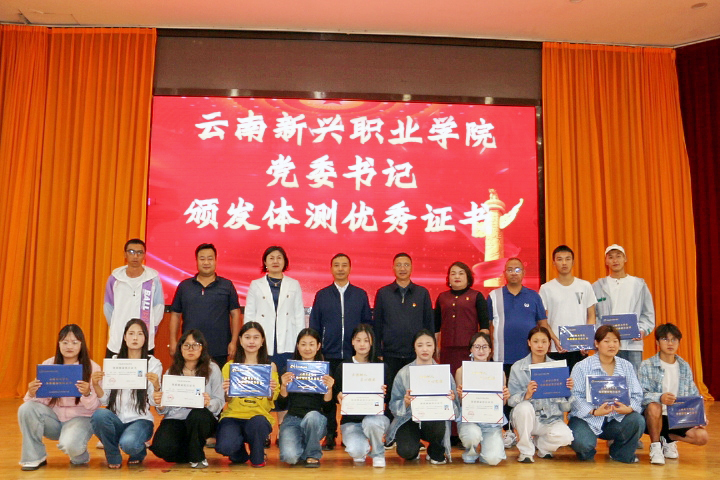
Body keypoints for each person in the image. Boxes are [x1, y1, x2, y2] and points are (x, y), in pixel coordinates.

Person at [310, 253, 372, 450]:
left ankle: (349, 432)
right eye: (336, 265)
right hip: (328, 354)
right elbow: (315, 325)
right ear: (331, 269)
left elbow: (367, 325)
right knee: (328, 395)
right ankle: (330, 433)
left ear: (350, 268)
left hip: (354, 357)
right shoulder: (322, 295)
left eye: (344, 265)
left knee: (351, 394)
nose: (340, 268)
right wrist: (317, 352)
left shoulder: (360, 294)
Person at [18, 325, 101, 471]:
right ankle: (34, 457)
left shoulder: (92, 367)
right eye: (65, 342)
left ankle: (80, 455)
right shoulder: (48, 365)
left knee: (71, 445)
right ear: (59, 344)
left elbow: (95, 407)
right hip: (54, 419)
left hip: (80, 418)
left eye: (74, 342)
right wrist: (32, 392)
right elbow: (36, 403)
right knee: (26, 409)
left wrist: (87, 393)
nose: (69, 346)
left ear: (81, 344)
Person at [91, 319, 163, 468]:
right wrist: (96, 385)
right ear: (124, 337)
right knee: (99, 415)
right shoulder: (114, 361)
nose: (135, 338)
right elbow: (105, 400)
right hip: (116, 419)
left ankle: (139, 451)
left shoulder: (153, 363)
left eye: (140, 334)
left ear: (145, 338)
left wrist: (156, 386)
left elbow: (154, 401)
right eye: (131, 333)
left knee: (129, 444)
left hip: (140, 420)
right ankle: (112, 454)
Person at [568, 325, 645, 463]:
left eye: (615, 341)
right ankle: (587, 451)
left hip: (615, 418)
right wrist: (594, 411)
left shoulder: (626, 366)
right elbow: (574, 396)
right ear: (596, 343)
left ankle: (620, 453)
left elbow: (637, 395)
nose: (612, 345)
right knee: (583, 444)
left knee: (637, 420)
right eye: (606, 341)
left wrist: (629, 408)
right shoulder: (582, 366)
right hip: (587, 419)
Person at [150, 329, 224, 468]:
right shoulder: (172, 371)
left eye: (195, 345)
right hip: (177, 418)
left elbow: (219, 401)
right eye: (186, 345)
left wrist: (208, 402)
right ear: (180, 349)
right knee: (161, 447)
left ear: (202, 348)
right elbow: (164, 410)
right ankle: (189, 451)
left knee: (197, 415)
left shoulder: (213, 369)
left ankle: (198, 457)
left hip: (202, 419)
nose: (191, 349)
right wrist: (160, 403)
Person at [374, 253, 433, 420]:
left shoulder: (422, 293)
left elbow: (429, 325)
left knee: (416, 393)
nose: (402, 268)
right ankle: (391, 429)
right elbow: (377, 325)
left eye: (406, 264)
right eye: (399, 265)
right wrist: (377, 351)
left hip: (416, 355)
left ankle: (414, 427)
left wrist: (429, 352)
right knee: (391, 394)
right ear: (393, 268)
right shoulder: (383, 293)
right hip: (390, 354)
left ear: (412, 268)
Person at [639, 323, 708, 465]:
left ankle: (668, 439)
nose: (670, 343)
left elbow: (693, 395)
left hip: (677, 417)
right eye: (665, 339)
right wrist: (660, 397)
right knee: (654, 406)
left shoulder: (684, 366)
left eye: (674, 339)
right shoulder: (647, 365)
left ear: (679, 342)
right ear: (657, 342)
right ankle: (656, 447)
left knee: (702, 437)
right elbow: (641, 394)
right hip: (653, 417)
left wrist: (700, 417)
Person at [386, 329, 457, 465]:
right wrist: (405, 403)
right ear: (414, 347)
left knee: (438, 422)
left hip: (433, 421)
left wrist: (451, 401)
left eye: (429, 345)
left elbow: (456, 410)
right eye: (420, 345)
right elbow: (393, 406)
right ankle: (415, 446)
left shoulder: (443, 373)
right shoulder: (403, 373)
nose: (425, 349)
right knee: (406, 452)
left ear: (435, 347)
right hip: (408, 419)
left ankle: (434, 449)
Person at [215, 322, 280, 467]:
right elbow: (226, 399)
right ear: (240, 340)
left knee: (257, 458)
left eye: (256, 337)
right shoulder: (230, 366)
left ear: (262, 341)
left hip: (258, 417)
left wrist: (270, 390)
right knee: (225, 447)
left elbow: (272, 399)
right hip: (233, 416)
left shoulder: (270, 366)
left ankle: (257, 453)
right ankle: (240, 452)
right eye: (247, 337)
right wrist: (227, 391)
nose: (251, 341)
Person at [507, 326, 574, 463]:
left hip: (550, 419)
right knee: (524, 407)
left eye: (544, 341)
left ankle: (542, 445)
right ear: (529, 343)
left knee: (566, 437)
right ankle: (526, 451)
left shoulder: (558, 368)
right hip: (524, 418)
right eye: (536, 341)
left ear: (549, 344)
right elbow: (510, 401)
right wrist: (526, 395)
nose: (540, 345)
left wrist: (568, 392)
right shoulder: (517, 367)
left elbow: (566, 408)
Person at [169, 243, 241, 368]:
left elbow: (235, 314)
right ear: (196, 261)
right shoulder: (185, 286)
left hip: (219, 347)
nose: (206, 262)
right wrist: (173, 341)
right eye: (202, 259)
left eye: (210, 258)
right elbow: (175, 315)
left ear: (215, 260)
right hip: (190, 348)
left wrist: (234, 342)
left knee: (218, 379)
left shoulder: (227, 285)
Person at [332, 324, 390, 467]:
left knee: (371, 423)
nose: (362, 344)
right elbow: (334, 395)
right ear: (352, 342)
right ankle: (362, 446)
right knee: (357, 453)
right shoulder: (343, 367)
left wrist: (384, 393)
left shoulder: (381, 366)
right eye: (358, 340)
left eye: (366, 340)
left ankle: (378, 453)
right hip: (351, 421)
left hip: (375, 418)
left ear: (372, 342)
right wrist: (338, 396)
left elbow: (389, 398)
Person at [593, 244, 655, 373]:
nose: (615, 260)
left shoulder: (639, 285)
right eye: (611, 257)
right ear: (606, 261)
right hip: (607, 344)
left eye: (618, 256)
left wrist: (642, 330)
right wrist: (601, 334)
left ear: (625, 259)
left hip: (632, 345)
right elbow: (593, 316)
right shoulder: (597, 286)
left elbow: (648, 313)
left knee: (633, 378)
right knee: (607, 379)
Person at [277, 328, 334, 467]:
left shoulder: (325, 371)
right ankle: (304, 444)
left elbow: (327, 407)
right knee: (290, 457)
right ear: (297, 346)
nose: (307, 348)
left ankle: (313, 454)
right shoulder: (288, 370)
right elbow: (282, 405)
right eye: (303, 344)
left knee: (312, 417)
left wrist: (329, 389)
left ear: (318, 346)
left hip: (316, 420)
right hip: (293, 419)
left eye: (311, 344)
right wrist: (283, 386)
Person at [245, 246, 304, 378]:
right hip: (263, 338)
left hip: (288, 338)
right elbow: (249, 314)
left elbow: (299, 314)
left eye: (279, 258)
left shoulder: (293, 284)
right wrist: (249, 338)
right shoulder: (256, 284)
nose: (275, 261)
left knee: (287, 378)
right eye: (271, 258)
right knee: (264, 379)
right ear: (265, 262)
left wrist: (300, 341)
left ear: (285, 261)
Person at [455, 332, 509, 465]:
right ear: (471, 349)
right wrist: (461, 396)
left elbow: (501, 403)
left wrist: (505, 397)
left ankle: (486, 450)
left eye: (485, 347)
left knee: (493, 459)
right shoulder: (461, 371)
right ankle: (470, 450)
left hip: (491, 422)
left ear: (490, 349)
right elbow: (459, 403)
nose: (481, 350)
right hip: (470, 419)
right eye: (477, 346)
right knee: (472, 435)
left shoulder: (498, 372)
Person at [539, 245, 597, 371]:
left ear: (573, 262)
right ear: (554, 263)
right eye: (559, 259)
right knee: (558, 383)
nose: (564, 263)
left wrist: (587, 341)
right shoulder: (546, 288)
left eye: (567, 259)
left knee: (579, 381)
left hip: (580, 348)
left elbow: (591, 315)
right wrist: (555, 339)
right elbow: (542, 320)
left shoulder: (585, 286)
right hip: (556, 348)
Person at [103, 238, 164, 357]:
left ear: (144, 255)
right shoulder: (115, 278)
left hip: (144, 340)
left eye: (139, 252)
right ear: (125, 254)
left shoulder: (153, 279)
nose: (135, 256)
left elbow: (159, 307)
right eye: (131, 252)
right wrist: (117, 325)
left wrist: (150, 328)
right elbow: (108, 307)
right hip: (118, 339)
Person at [435, 261, 490, 374]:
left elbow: (484, 327)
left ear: (468, 277)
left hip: (470, 349)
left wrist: (482, 349)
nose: (457, 276)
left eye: (461, 273)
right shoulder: (442, 297)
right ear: (448, 278)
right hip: (447, 349)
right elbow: (436, 326)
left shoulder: (477, 296)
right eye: (453, 273)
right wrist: (436, 346)